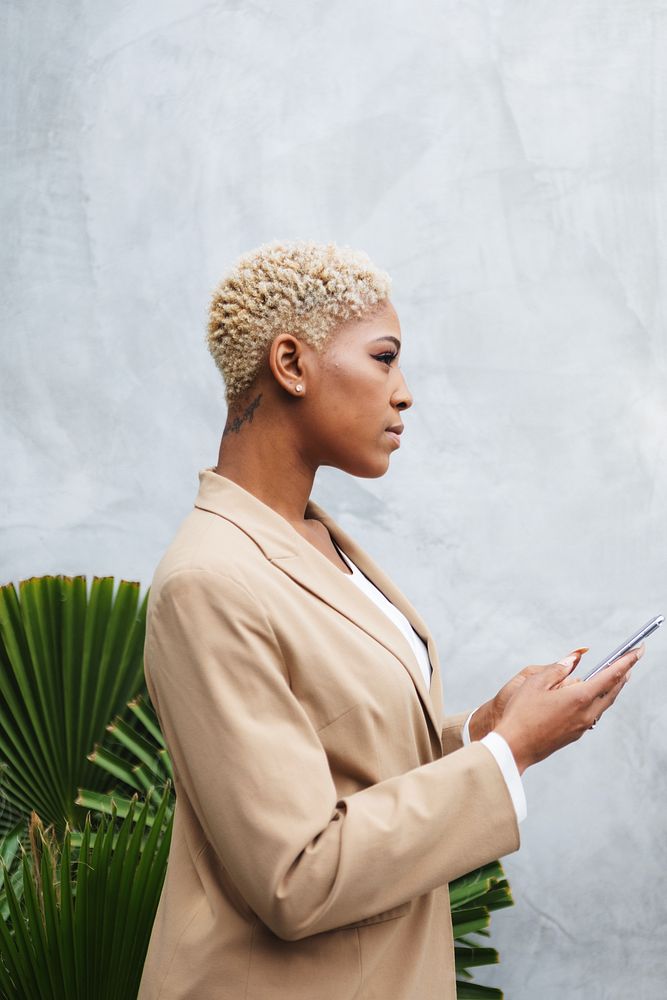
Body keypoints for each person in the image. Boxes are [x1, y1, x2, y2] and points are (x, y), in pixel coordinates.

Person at [137, 240, 642, 1000]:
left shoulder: (316, 538)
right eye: (383, 358)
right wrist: (510, 755)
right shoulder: (208, 581)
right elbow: (294, 875)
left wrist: (479, 730)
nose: (403, 393)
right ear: (291, 364)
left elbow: (343, 759)